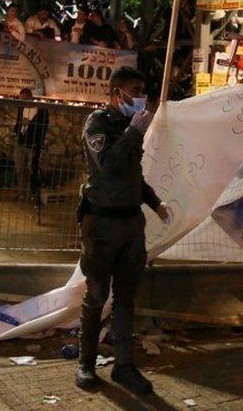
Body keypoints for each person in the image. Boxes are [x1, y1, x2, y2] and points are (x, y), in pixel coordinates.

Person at [75, 67, 170, 395]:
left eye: (144, 89)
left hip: (131, 224)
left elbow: (132, 174)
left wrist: (154, 203)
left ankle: (125, 367)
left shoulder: (130, 127)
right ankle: (86, 363)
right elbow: (110, 166)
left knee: (126, 299)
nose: (142, 96)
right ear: (118, 94)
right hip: (102, 224)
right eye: (136, 90)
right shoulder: (97, 124)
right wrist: (133, 131)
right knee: (97, 295)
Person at [12, 88, 48, 200]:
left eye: (24, 99)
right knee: (20, 168)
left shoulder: (41, 109)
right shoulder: (22, 107)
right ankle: (21, 192)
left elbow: (43, 126)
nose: (22, 102)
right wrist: (16, 130)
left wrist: (30, 124)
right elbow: (19, 121)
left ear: (29, 97)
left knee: (32, 169)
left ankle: (31, 193)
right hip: (21, 141)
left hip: (33, 144)